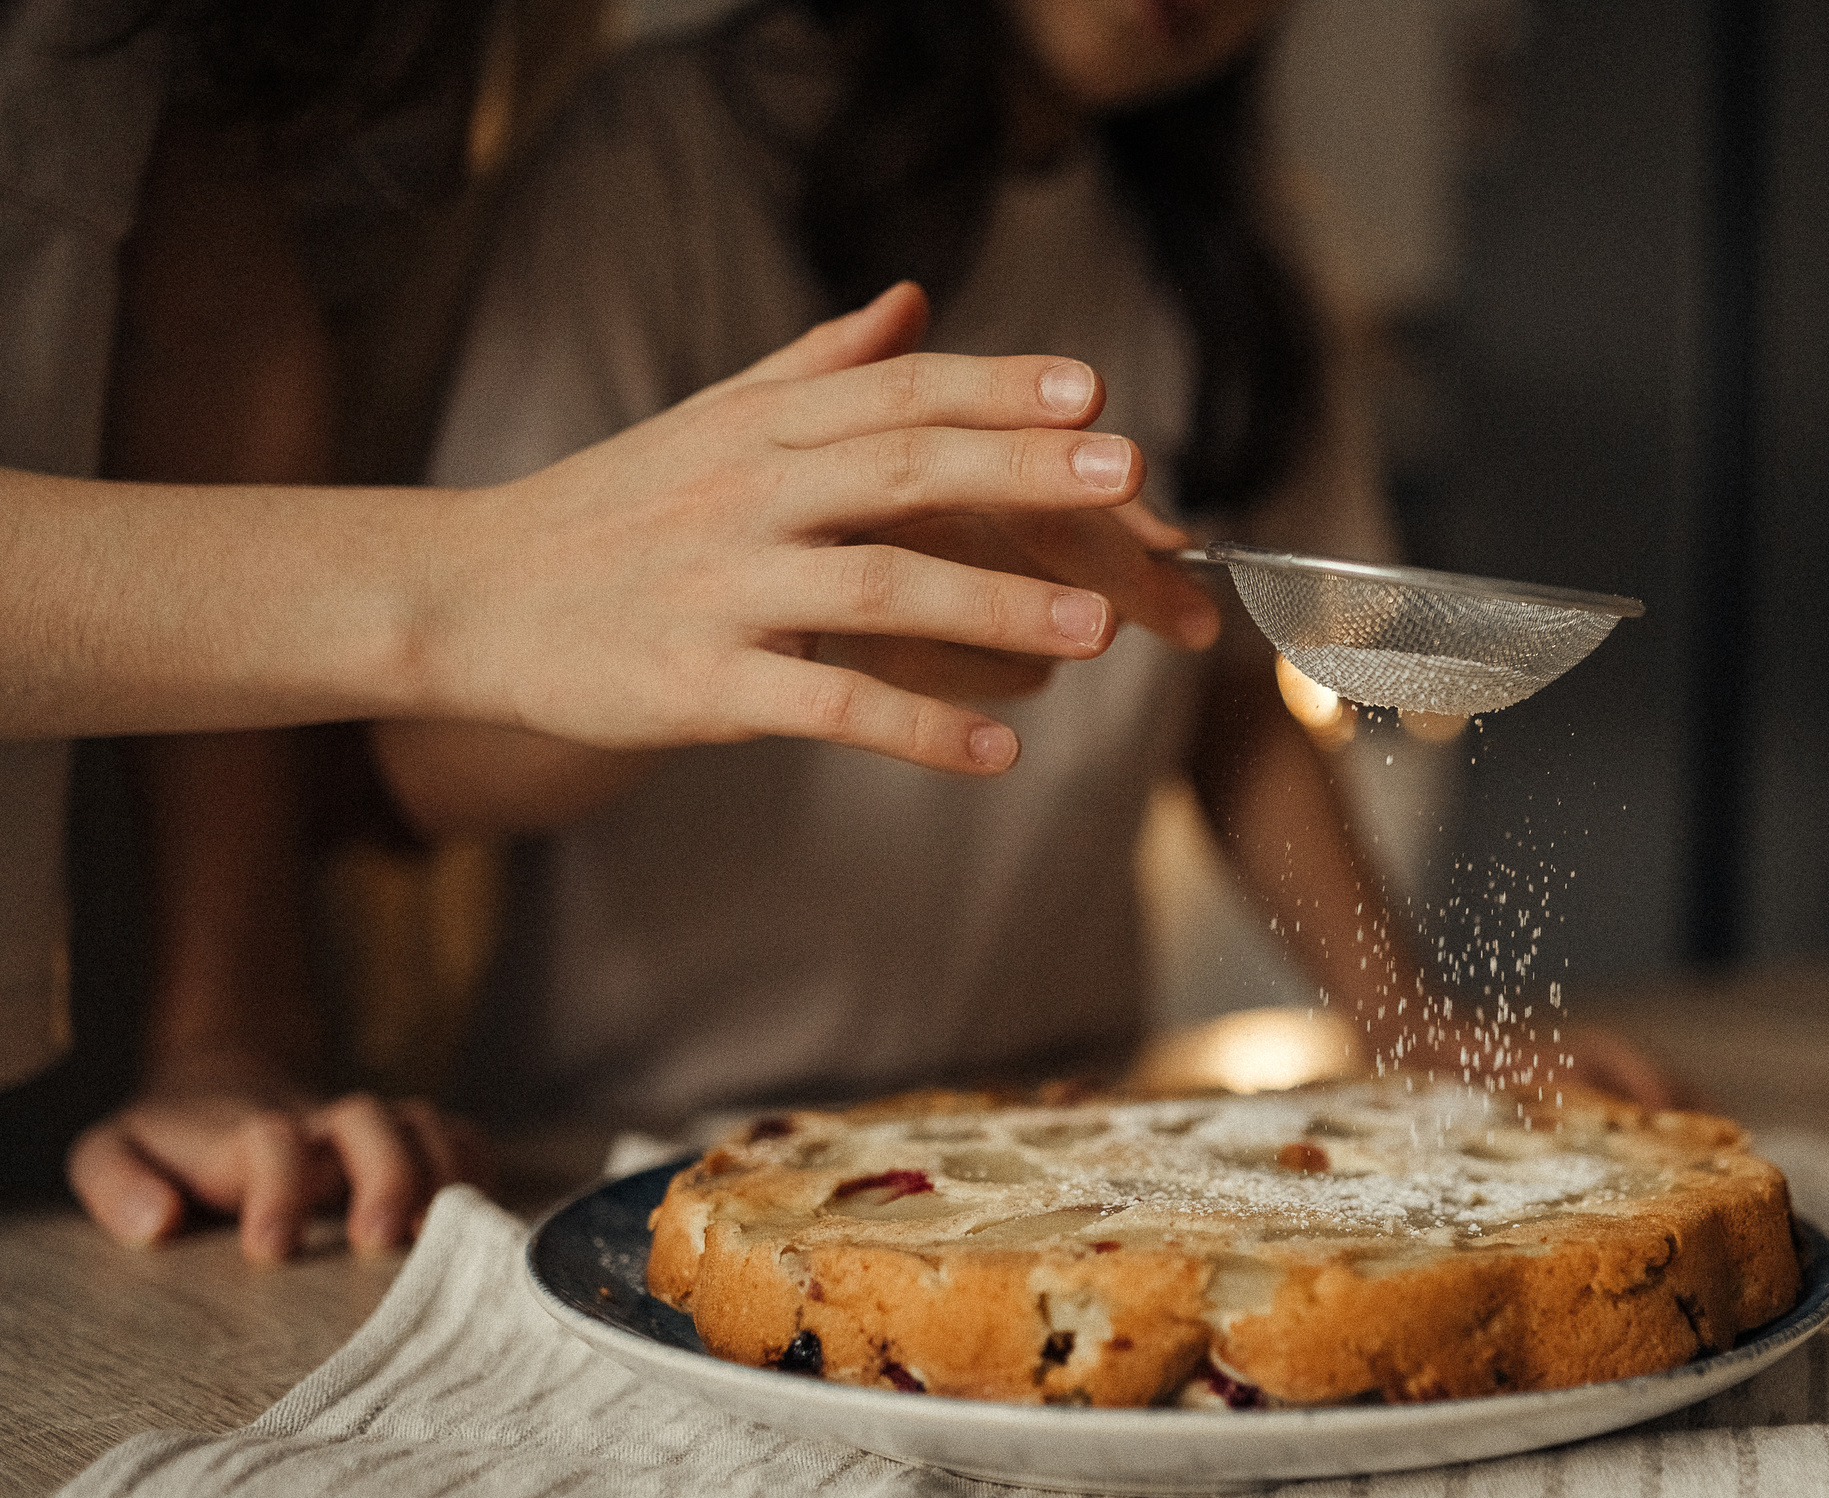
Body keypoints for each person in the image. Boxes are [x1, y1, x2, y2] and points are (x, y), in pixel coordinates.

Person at [1, 0, 1206, 1256]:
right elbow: (401, 767)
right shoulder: (664, 145)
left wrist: (229, 1035)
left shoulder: (1195, 246)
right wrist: (477, 582)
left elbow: (209, 320)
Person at [372, 0, 1671, 1123]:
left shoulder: (1231, 272)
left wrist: (1405, 1022)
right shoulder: (658, 157)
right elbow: (436, 762)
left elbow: (1227, 707)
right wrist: (795, 611)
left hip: (1057, 1117)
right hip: (630, 1134)